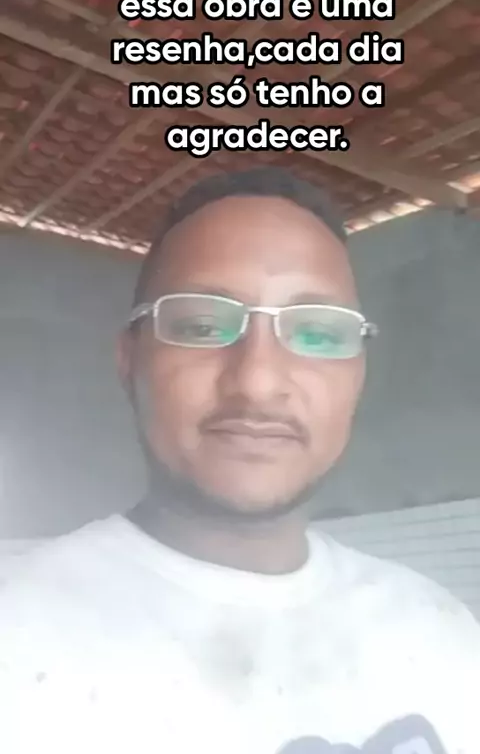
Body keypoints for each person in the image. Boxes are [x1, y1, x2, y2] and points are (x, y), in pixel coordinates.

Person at [0, 167, 478, 754]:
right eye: (203, 325)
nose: (257, 381)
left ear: (358, 373)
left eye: (318, 333)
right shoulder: (16, 634)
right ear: (130, 361)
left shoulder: (441, 630)